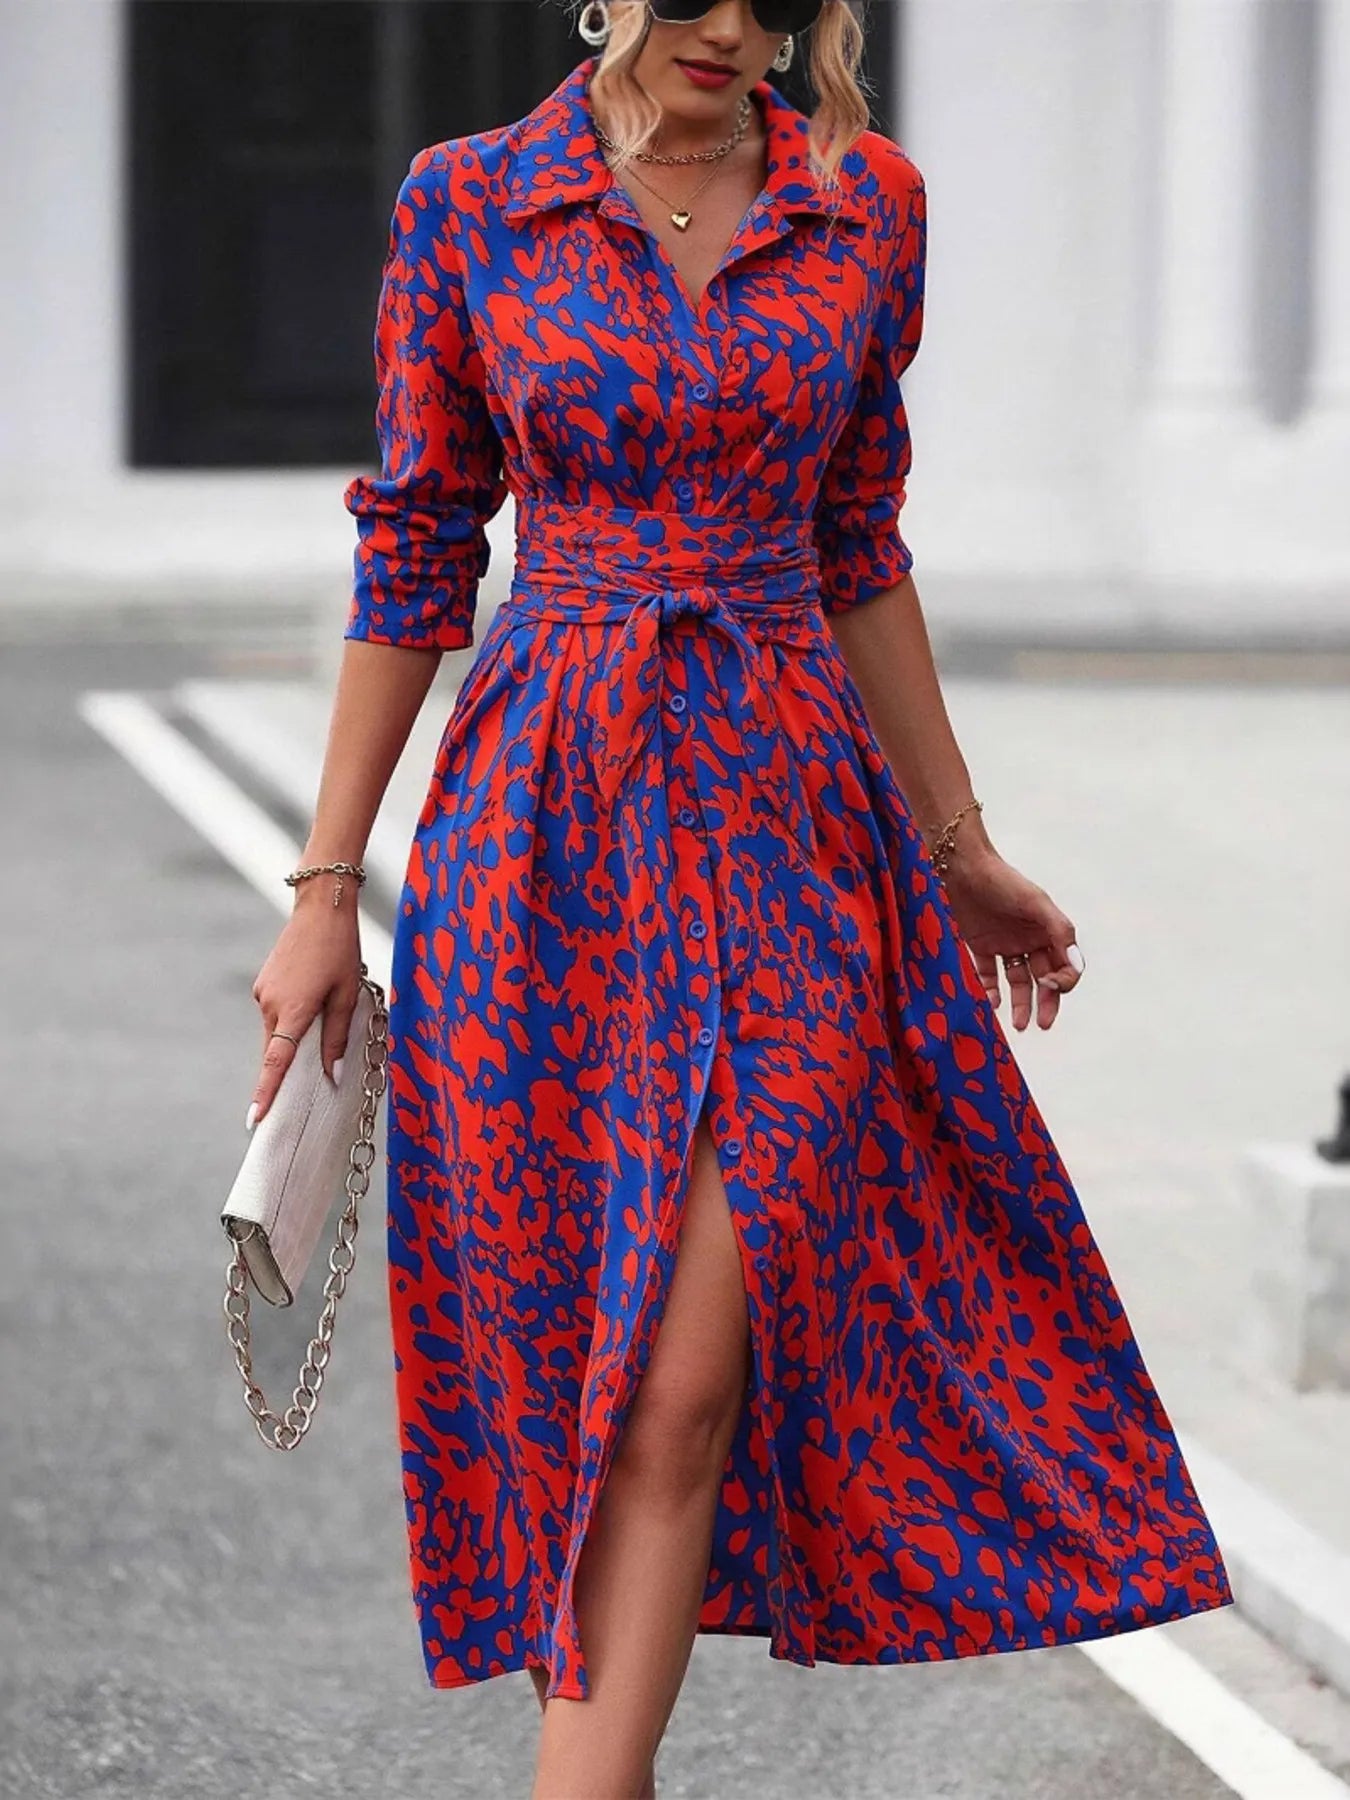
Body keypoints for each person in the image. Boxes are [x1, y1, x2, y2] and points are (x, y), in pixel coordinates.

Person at [246, 2, 1235, 1795]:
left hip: (793, 825)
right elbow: (414, 543)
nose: (732, 28)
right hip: (543, 833)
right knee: (579, 1363)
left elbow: (859, 541)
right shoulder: (474, 200)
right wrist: (328, 886)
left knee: (684, 1376)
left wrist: (959, 848)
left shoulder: (866, 203)